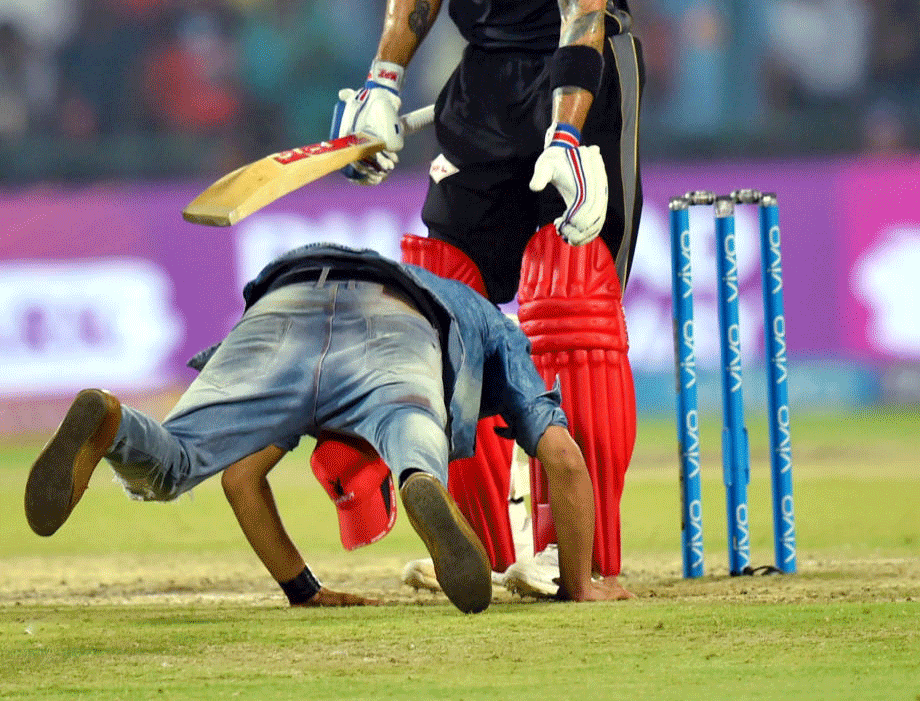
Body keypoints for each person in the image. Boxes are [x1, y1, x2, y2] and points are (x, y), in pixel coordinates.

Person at [330, 0, 644, 597]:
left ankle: (587, 563)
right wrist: (384, 84)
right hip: (485, 71)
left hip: (584, 75)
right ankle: (477, 547)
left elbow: (586, 8)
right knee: (434, 297)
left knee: (570, 314)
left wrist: (567, 137)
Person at [24, 242, 629, 613]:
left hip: (282, 303)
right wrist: (580, 584)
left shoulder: (306, 415)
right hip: (400, 316)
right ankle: (418, 473)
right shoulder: (495, 331)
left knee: (174, 462)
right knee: (410, 423)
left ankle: (112, 422)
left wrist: (302, 589)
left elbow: (242, 481)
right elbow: (565, 459)